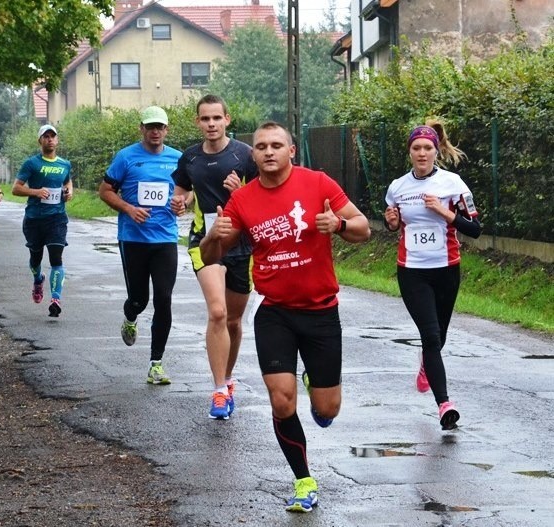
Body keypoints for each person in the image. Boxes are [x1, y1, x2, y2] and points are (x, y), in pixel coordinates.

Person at [200, 122, 370, 513]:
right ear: (253, 155)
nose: (268, 151)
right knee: (281, 401)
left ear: (291, 151)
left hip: (322, 313)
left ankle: (316, 385)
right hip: (275, 312)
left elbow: (362, 228)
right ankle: (303, 480)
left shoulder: (319, 184)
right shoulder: (242, 200)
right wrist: (213, 234)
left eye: (277, 145)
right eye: (261, 146)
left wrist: (338, 225)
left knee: (327, 411)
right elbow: (211, 258)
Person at [384, 121, 481, 431]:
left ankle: (428, 362)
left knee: (439, 336)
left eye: (427, 148)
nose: (422, 153)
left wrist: (445, 212)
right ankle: (445, 405)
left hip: (447, 270)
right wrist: (391, 221)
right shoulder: (398, 187)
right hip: (412, 272)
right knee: (430, 335)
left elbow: (475, 229)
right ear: (410, 152)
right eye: (416, 148)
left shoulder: (453, 184)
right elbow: (393, 224)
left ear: (436, 151)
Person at [169, 94, 259, 420]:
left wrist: (240, 193)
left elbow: (263, 197)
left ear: (227, 120)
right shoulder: (189, 158)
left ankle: (228, 377)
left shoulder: (245, 155)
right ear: (197, 122)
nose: (210, 124)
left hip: (240, 243)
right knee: (218, 313)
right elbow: (181, 192)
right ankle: (219, 389)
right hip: (205, 241)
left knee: (234, 322)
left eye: (216, 118)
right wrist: (178, 202)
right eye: (205, 119)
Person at [99, 106, 182, 385]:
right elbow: (105, 190)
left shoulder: (177, 159)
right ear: (142, 129)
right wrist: (128, 208)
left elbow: (188, 192)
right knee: (140, 299)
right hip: (133, 239)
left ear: (167, 130)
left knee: (164, 298)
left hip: (166, 239)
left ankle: (156, 364)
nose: (155, 131)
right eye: (150, 127)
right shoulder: (126, 157)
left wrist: (183, 203)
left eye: (160, 127)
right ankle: (130, 315)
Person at [12, 124, 73, 318]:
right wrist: (36, 192)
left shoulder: (64, 164)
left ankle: (55, 299)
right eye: (45, 136)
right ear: (40, 141)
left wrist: (68, 191)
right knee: (35, 258)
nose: (49, 139)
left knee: (56, 258)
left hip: (57, 218)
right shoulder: (32, 164)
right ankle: (38, 279)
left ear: (57, 140)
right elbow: (16, 188)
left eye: (52, 136)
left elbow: (67, 181)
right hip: (34, 219)